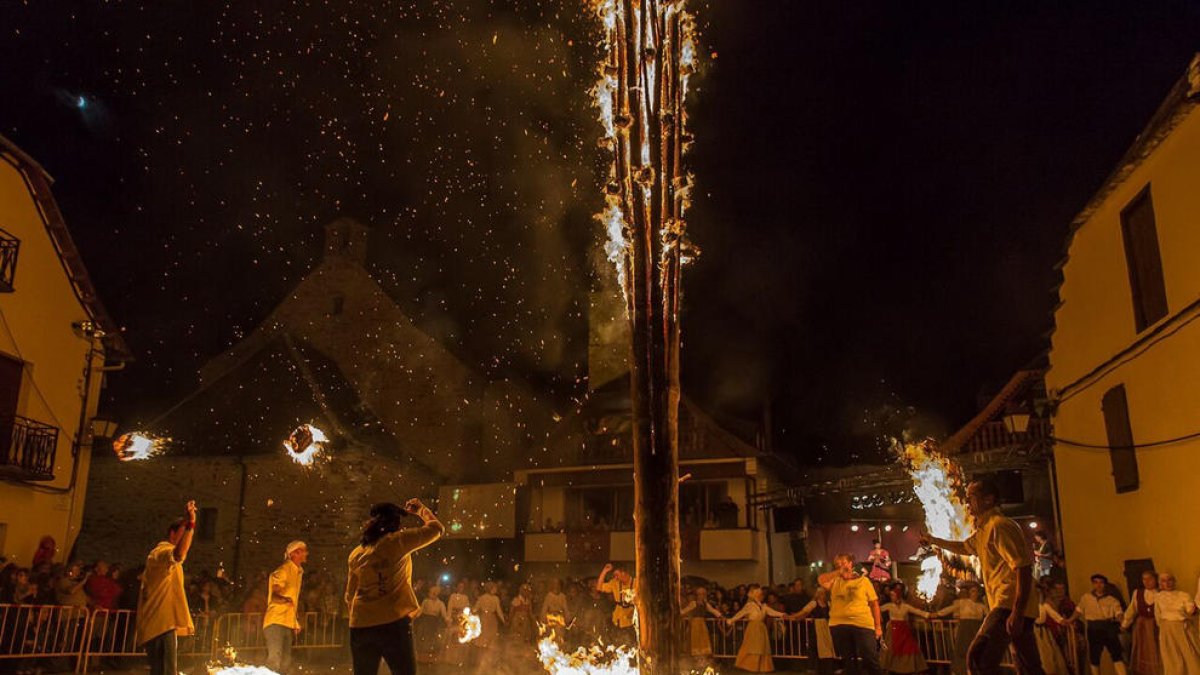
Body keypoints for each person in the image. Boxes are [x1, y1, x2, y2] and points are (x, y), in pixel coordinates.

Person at [923, 478, 1044, 675]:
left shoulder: (1000, 526)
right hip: (1009, 606)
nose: (967, 503)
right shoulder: (984, 529)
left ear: (988, 500)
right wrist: (934, 540)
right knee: (1029, 667)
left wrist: (1017, 612)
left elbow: (1023, 567)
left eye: (971, 497)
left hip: (1008, 605)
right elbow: (964, 547)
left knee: (978, 658)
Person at [345, 498, 444, 675]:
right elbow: (437, 529)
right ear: (395, 523)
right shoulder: (397, 541)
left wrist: (365, 616)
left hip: (360, 625)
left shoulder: (356, 553)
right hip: (392, 622)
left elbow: (349, 596)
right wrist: (422, 510)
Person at [135, 500, 198, 675]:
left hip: (163, 623)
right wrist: (191, 523)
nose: (187, 535)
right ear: (172, 533)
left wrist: (188, 522)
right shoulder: (161, 552)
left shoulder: (167, 556)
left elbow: (181, 552)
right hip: (159, 624)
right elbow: (179, 553)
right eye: (182, 531)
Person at [819, 553, 883, 675]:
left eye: (843, 563)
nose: (840, 566)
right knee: (848, 660)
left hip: (862, 623)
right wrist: (838, 572)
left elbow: (874, 604)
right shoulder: (835, 581)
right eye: (837, 564)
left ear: (850, 563)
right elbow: (821, 579)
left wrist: (878, 626)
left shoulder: (864, 581)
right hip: (839, 624)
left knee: (869, 657)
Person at [726, 583, 801, 672]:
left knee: (761, 648)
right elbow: (741, 613)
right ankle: (752, 667)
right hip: (753, 629)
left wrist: (782, 614)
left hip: (761, 629)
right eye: (759, 594)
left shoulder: (763, 606)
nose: (761, 596)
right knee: (754, 648)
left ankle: (759, 667)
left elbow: (771, 612)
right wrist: (731, 620)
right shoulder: (750, 605)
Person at [1066, 574, 1128, 675]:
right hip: (1093, 628)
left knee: (1116, 654)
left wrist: (1122, 624)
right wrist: (1069, 620)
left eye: (1101, 582)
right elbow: (1078, 610)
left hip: (1109, 627)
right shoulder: (1086, 598)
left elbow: (1119, 613)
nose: (1098, 585)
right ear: (1093, 584)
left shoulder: (1112, 599)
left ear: (1105, 585)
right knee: (1094, 656)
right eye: (1096, 582)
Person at [264, 540, 307, 674]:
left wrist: (295, 622)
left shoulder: (298, 572)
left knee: (285, 661)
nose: (307, 553)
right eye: (304, 550)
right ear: (294, 553)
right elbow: (275, 596)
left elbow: (292, 601)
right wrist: (285, 599)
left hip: (287, 623)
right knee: (275, 660)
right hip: (276, 621)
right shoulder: (283, 570)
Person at [933, 584, 989, 675]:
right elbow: (950, 609)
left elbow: (988, 615)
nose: (974, 594)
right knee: (962, 650)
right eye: (972, 591)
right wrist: (937, 614)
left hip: (976, 630)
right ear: (969, 593)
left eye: (976, 591)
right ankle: (960, 671)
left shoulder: (981, 606)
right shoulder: (962, 602)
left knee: (975, 650)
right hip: (964, 630)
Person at [1152, 572, 1199, 675]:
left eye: (1170, 580)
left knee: (1189, 654)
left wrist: (1191, 610)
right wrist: (1163, 628)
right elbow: (1158, 615)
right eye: (1164, 581)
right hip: (1166, 630)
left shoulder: (1183, 595)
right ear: (1160, 583)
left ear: (1174, 581)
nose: (1167, 583)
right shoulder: (1158, 597)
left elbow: (1190, 608)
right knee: (1171, 656)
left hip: (1182, 628)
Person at [878, 583, 931, 673]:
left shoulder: (905, 606)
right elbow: (878, 609)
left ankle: (906, 668)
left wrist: (928, 615)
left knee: (908, 647)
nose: (892, 597)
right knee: (890, 649)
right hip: (893, 630)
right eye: (891, 595)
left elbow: (916, 611)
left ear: (898, 596)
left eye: (893, 595)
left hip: (903, 630)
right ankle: (889, 667)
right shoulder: (889, 605)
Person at [1122, 570, 1161, 675]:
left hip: (1156, 627)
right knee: (1143, 651)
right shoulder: (1137, 593)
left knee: (1157, 651)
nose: (1147, 581)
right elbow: (1132, 609)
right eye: (1144, 579)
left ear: (1155, 579)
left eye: (1150, 579)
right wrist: (1124, 624)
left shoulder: (1161, 594)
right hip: (1142, 627)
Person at [795, 587, 838, 675]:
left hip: (826, 627)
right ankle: (819, 669)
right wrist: (794, 617)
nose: (822, 595)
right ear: (817, 594)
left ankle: (829, 669)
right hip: (817, 627)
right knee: (817, 648)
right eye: (820, 593)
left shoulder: (828, 604)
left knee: (828, 648)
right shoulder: (813, 603)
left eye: (823, 593)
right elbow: (804, 612)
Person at [596, 563, 636, 645]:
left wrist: (633, 612)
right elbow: (599, 588)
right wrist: (604, 571)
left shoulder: (636, 583)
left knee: (631, 645)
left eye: (617, 575)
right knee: (617, 645)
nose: (615, 577)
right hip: (617, 620)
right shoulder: (615, 583)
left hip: (632, 622)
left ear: (624, 573)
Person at [1034, 590, 1071, 675]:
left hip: (1044, 632)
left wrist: (1065, 621)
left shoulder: (1044, 606)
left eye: (1041, 595)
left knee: (1049, 654)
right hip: (1035, 631)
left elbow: (1055, 615)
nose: (1039, 597)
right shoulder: (1031, 606)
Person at [681, 586, 723, 657]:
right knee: (695, 641)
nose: (702, 596)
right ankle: (695, 657)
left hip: (702, 624)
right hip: (694, 624)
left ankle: (702, 659)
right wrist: (679, 614)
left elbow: (712, 610)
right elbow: (685, 610)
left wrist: (721, 616)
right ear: (697, 595)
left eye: (703, 594)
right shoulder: (693, 603)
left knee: (703, 641)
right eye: (700, 594)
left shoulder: (705, 604)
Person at [413, 585, 448, 663]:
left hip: (434, 623)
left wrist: (447, 620)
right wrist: (415, 616)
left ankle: (430, 658)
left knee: (432, 639)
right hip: (425, 622)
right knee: (423, 638)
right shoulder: (426, 601)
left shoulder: (440, 603)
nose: (432, 594)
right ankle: (421, 658)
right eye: (431, 593)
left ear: (437, 594)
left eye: (434, 593)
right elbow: (420, 611)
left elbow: (444, 614)